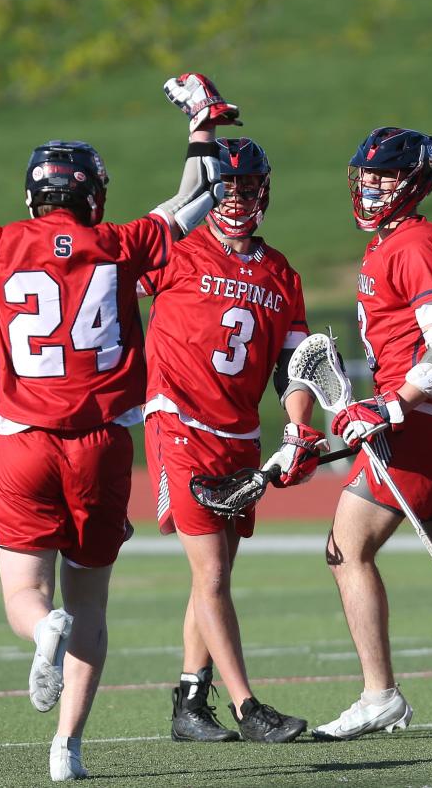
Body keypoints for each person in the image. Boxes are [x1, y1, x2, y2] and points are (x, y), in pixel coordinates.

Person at [0, 72, 232, 780]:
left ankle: (38, 629)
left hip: (23, 443)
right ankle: (67, 747)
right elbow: (201, 195)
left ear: (34, 194)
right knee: (91, 603)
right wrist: (203, 121)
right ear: (91, 194)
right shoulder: (121, 242)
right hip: (103, 443)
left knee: (27, 594)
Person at [312, 126, 432, 741]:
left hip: (422, 418)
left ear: (413, 183)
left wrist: (392, 408)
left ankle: (379, 694)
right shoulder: (399, 240)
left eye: (385, 178)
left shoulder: (415, 241)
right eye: (367, 176)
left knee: (347, 548)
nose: (371, 188)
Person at [137, 136, 317, 743]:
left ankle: (190, 701)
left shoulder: (281, 272)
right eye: (227, 185)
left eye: (247, 186)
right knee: (210, 571)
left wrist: (297, 427)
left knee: (215, 575)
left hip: (239, 437)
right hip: (179, 422)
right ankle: (246, 705)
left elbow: (293, 367)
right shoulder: (174, 253)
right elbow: (88, 286)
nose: (237, 197)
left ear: (265, 190)